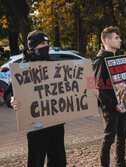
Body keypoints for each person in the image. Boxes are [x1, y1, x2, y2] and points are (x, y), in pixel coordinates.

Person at [10, 30, 66, 167]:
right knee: (36, 161)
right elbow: (10, 92)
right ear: (32, 47)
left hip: (56, 124)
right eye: (42, 43)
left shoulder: (53, 65)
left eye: (47, 43)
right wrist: (13, 101)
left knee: (59, 161)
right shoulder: (21, 69)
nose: (46, 46)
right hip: (36, 126)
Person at [93, 26, 126, 167]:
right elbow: (99, 87)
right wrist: (114, 105)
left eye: (119, 37)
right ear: (107, 40)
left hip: (124, 104)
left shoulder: (121, 57)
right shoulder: (100, 60)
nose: (120, 40)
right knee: (109, 139)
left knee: (122, 137)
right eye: (116, 37)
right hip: (111, 107)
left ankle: (121, 163)